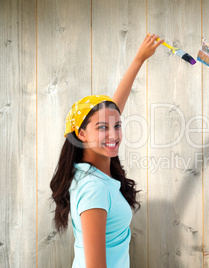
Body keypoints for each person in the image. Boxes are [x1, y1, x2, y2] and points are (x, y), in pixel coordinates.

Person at [50, 34, 163, 268]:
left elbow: (112, 110)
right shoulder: (94, 189)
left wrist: (139, 59)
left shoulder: (89, 169)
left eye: (117, 125)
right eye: (102, 128)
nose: (113, 135)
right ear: (82, 134)